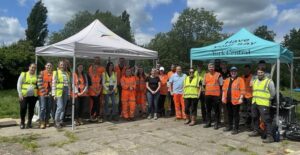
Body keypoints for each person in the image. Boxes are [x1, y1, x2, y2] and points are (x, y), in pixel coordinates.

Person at [249, 67, 276, 143]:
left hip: (264, 104)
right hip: (255, 102)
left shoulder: (269, 81)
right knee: (254, 117)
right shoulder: (255, 81)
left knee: (266, 120)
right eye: (258, 73)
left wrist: (267, 99)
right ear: (257, 73)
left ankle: (270, 136)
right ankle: (256, 131)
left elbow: (273, 93)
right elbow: (252, 89)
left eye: (261, 72)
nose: (260, 74)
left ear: (264, 73)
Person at [222, 67, 245, 134]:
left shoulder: (240, 79)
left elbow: (243, 90)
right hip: (228, 100)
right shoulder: (227, 80)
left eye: (235, 71)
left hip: (236, 101)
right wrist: (223, 97)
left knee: (236, 115)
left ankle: (236, 128)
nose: (233, 73)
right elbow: (224, 89)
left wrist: (241, 98)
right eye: (232, 71)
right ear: (230, 72)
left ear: (237, 72)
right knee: (229, 114)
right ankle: (230, 126)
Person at [17, 63, 38, 129]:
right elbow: (18, 84)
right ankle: (22, 122)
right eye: (32, 67)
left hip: (33, 96)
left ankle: (29, 123)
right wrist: (20, 94)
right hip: (24, 95)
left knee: (31, 109)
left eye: (34, 68)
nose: (33, 69)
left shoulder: (36, 76)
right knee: (23, 108)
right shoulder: (24, 74)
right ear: (29, 67)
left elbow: (38, 86)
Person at [203, 62, 223, 129]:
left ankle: (217, 123)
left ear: (214, 68)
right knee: (208, 110)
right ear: (208, 68)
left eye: (212, 67)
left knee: (216, 110)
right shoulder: (205, 75)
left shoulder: (218, 74)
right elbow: (204, 84)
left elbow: (221, 85)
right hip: (208, 95)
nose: (211, 68)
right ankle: (208, 123)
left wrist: (220, 95)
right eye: (209, 67)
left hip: (216, 96)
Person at [52, 61, 71, 129]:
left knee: (63, 107)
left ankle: (60, 120)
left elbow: (69, 85)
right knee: (60, 107)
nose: (62, 65)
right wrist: (54, 94)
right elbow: (53, 83)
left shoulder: (66, 73)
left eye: (63, 64)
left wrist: (69, 93)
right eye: (61, 64)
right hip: (58, 91)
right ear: (59, 65)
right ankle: (56, 121)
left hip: (66, 91)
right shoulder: (56, 72)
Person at [37, 62, 53, 129]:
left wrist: (50, 93)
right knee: (43, 108)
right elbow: (39, 83)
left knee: (49, 108)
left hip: (50, 93)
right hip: (42, 93)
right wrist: (44, 93)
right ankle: (42, 122)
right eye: (47, 65)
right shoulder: (42, 73)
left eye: (50, 65)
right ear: (45, 66)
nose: (49, 67)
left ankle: (47, 120)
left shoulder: (53, 74)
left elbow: (54, 84)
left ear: (51, 67)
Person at [242, 64, 253, 130]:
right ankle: (246, 123)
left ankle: (249, 124)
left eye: (247, 69)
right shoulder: (242, 76)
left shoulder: (252, 77)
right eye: (245, 70)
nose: (246, 71)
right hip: (244, 96)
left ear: (249, 70)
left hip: (250, 96)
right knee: (244, 110)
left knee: (249, 111)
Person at [219, 61, 230, 127]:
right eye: (222, 64)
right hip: (219, 92)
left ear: (226, 65)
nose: (223, 65)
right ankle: (219, 121)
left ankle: (226, 121)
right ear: (220, 65)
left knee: (226, 108)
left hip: (227, 92)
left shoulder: (230, 72)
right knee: (219, 108)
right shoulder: (218, 73)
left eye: (224, 64)